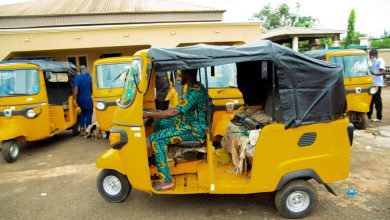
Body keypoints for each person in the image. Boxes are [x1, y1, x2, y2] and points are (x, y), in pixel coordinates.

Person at [143, 69, 208, 191]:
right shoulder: (194, 87)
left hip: (193, 130)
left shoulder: (194, 91)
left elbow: (174, 112)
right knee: (159, 121)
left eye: (180, 73)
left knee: (155, 139)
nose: (178, 76)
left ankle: (166, 181)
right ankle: (160, 157)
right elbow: (179, 109)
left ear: (188, 73)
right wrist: (158, 114)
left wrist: (148, 114)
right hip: (187, 122)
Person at [367, 49, 386, 122]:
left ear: (375, 54)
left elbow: (383, 72)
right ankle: (368, 115)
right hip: (371, 83)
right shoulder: (373, 61)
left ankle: (379, 116)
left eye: (371, 55)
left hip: (377, 84)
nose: (370, 57)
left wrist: (374, 73)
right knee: (370, 100)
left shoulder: (380, 61)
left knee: (377, 100)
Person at [73, 65, 93, 131]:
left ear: (80, 70)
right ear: (85, 69)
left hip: (80, 99)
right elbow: (93, 87)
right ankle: (88, 128)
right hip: (88, 99)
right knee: (89, 114)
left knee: (81, 113)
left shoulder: (77, 78)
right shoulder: (90, 77)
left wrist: (75, 99)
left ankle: (82, 126)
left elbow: (76, 88)